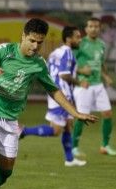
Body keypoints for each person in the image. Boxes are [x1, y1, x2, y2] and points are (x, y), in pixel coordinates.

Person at [0, 18, 98, 189]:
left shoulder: (38, 64)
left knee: (5, 172)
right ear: (23, 36)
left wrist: (76, 113)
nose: (35, 46)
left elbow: (53, 90)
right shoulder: (4, 51)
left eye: (40, 42)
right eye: (32, 41)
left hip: (9, 120)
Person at [20, 26, 86, 167]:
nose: (80, 39)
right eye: (77, 37)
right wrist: (80, 82)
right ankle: (23, 130)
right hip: (62, 93)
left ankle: (70, 160)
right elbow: (64, 75)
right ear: (69, 38)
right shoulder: (68, 52)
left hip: (54, 91)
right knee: (56, 130)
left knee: (68, 126)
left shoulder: (56, 52)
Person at [72, 17, 116, 157]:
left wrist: (106, 76)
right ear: (86, 29)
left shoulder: (101, 44)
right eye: (91, 26)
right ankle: (74, 147)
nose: (94, 29)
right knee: (82, 116)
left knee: (107, 113)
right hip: (84, 86)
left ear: (100, 29)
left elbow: (100, 63)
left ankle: (105, 146)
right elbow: (70, 64)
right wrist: (81, 72)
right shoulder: (79, 44)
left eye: (96, 26)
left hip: (98, 85)